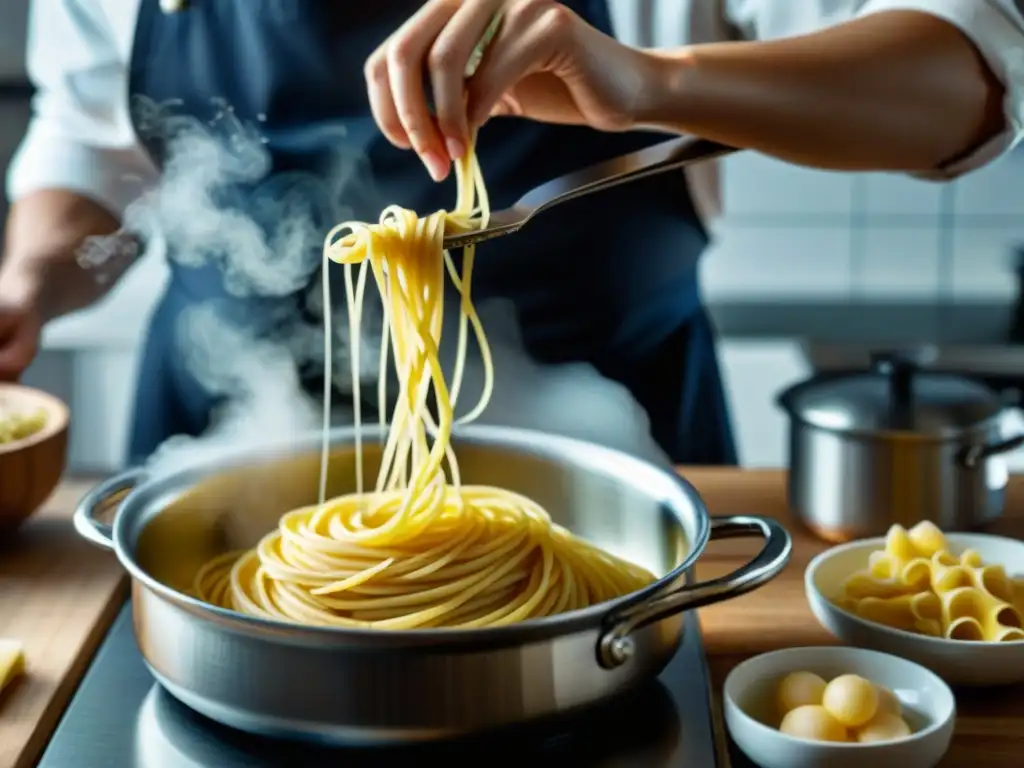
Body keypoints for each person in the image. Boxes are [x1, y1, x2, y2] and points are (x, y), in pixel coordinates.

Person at [0, 1, 1022, 469]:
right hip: (225, 445)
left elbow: (968, 81)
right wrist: (26, 284)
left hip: (609, 443)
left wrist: (653, 84)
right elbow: (92, 153)